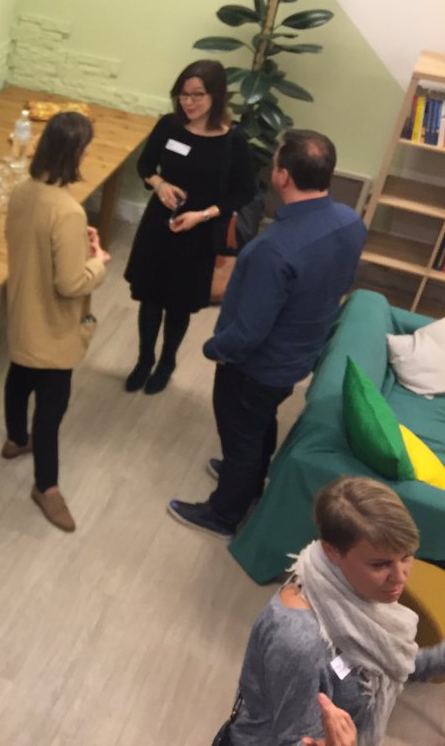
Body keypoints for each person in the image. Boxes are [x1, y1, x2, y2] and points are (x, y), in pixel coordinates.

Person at [168, 129, 367, 537]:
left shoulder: (273, 248)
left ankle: (224, 514)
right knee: (260, 421)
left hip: (254, 367)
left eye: (275, 162)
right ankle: (250, 480)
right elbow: (343, 282)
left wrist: (213, 347)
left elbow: (249, 332)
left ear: (283, 176)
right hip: (297, 356)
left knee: (240, 434)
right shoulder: (350, 221)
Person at [221, 477, 445, 745]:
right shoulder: (300, 642)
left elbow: (385, 659)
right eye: (380, 564)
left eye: (407, 556)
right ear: (332, 551)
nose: (400, 577)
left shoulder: (343, 590)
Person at [2, 112, 111, 533]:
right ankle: (46, 487)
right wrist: (97, 262)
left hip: (23, 311)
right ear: (75, 154)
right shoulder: (68, 211)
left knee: (19, 375)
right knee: (50, 411)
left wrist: (79, 248)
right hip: (53, 326)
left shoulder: (23, 191)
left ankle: (15, 439)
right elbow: (70, 283)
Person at [123, 60, 256, 394]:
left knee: (178, 303)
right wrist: (160, 185)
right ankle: (144, 359)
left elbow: (244, 192)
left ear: (216, 96)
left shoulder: (233, 140)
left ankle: (167, 361)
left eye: (197, 95)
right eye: (183, 94)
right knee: (150, 297)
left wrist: (204, 214)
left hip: (197, 233)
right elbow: (145, 165)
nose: (188, 102)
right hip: (159, 225)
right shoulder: (169, 125)